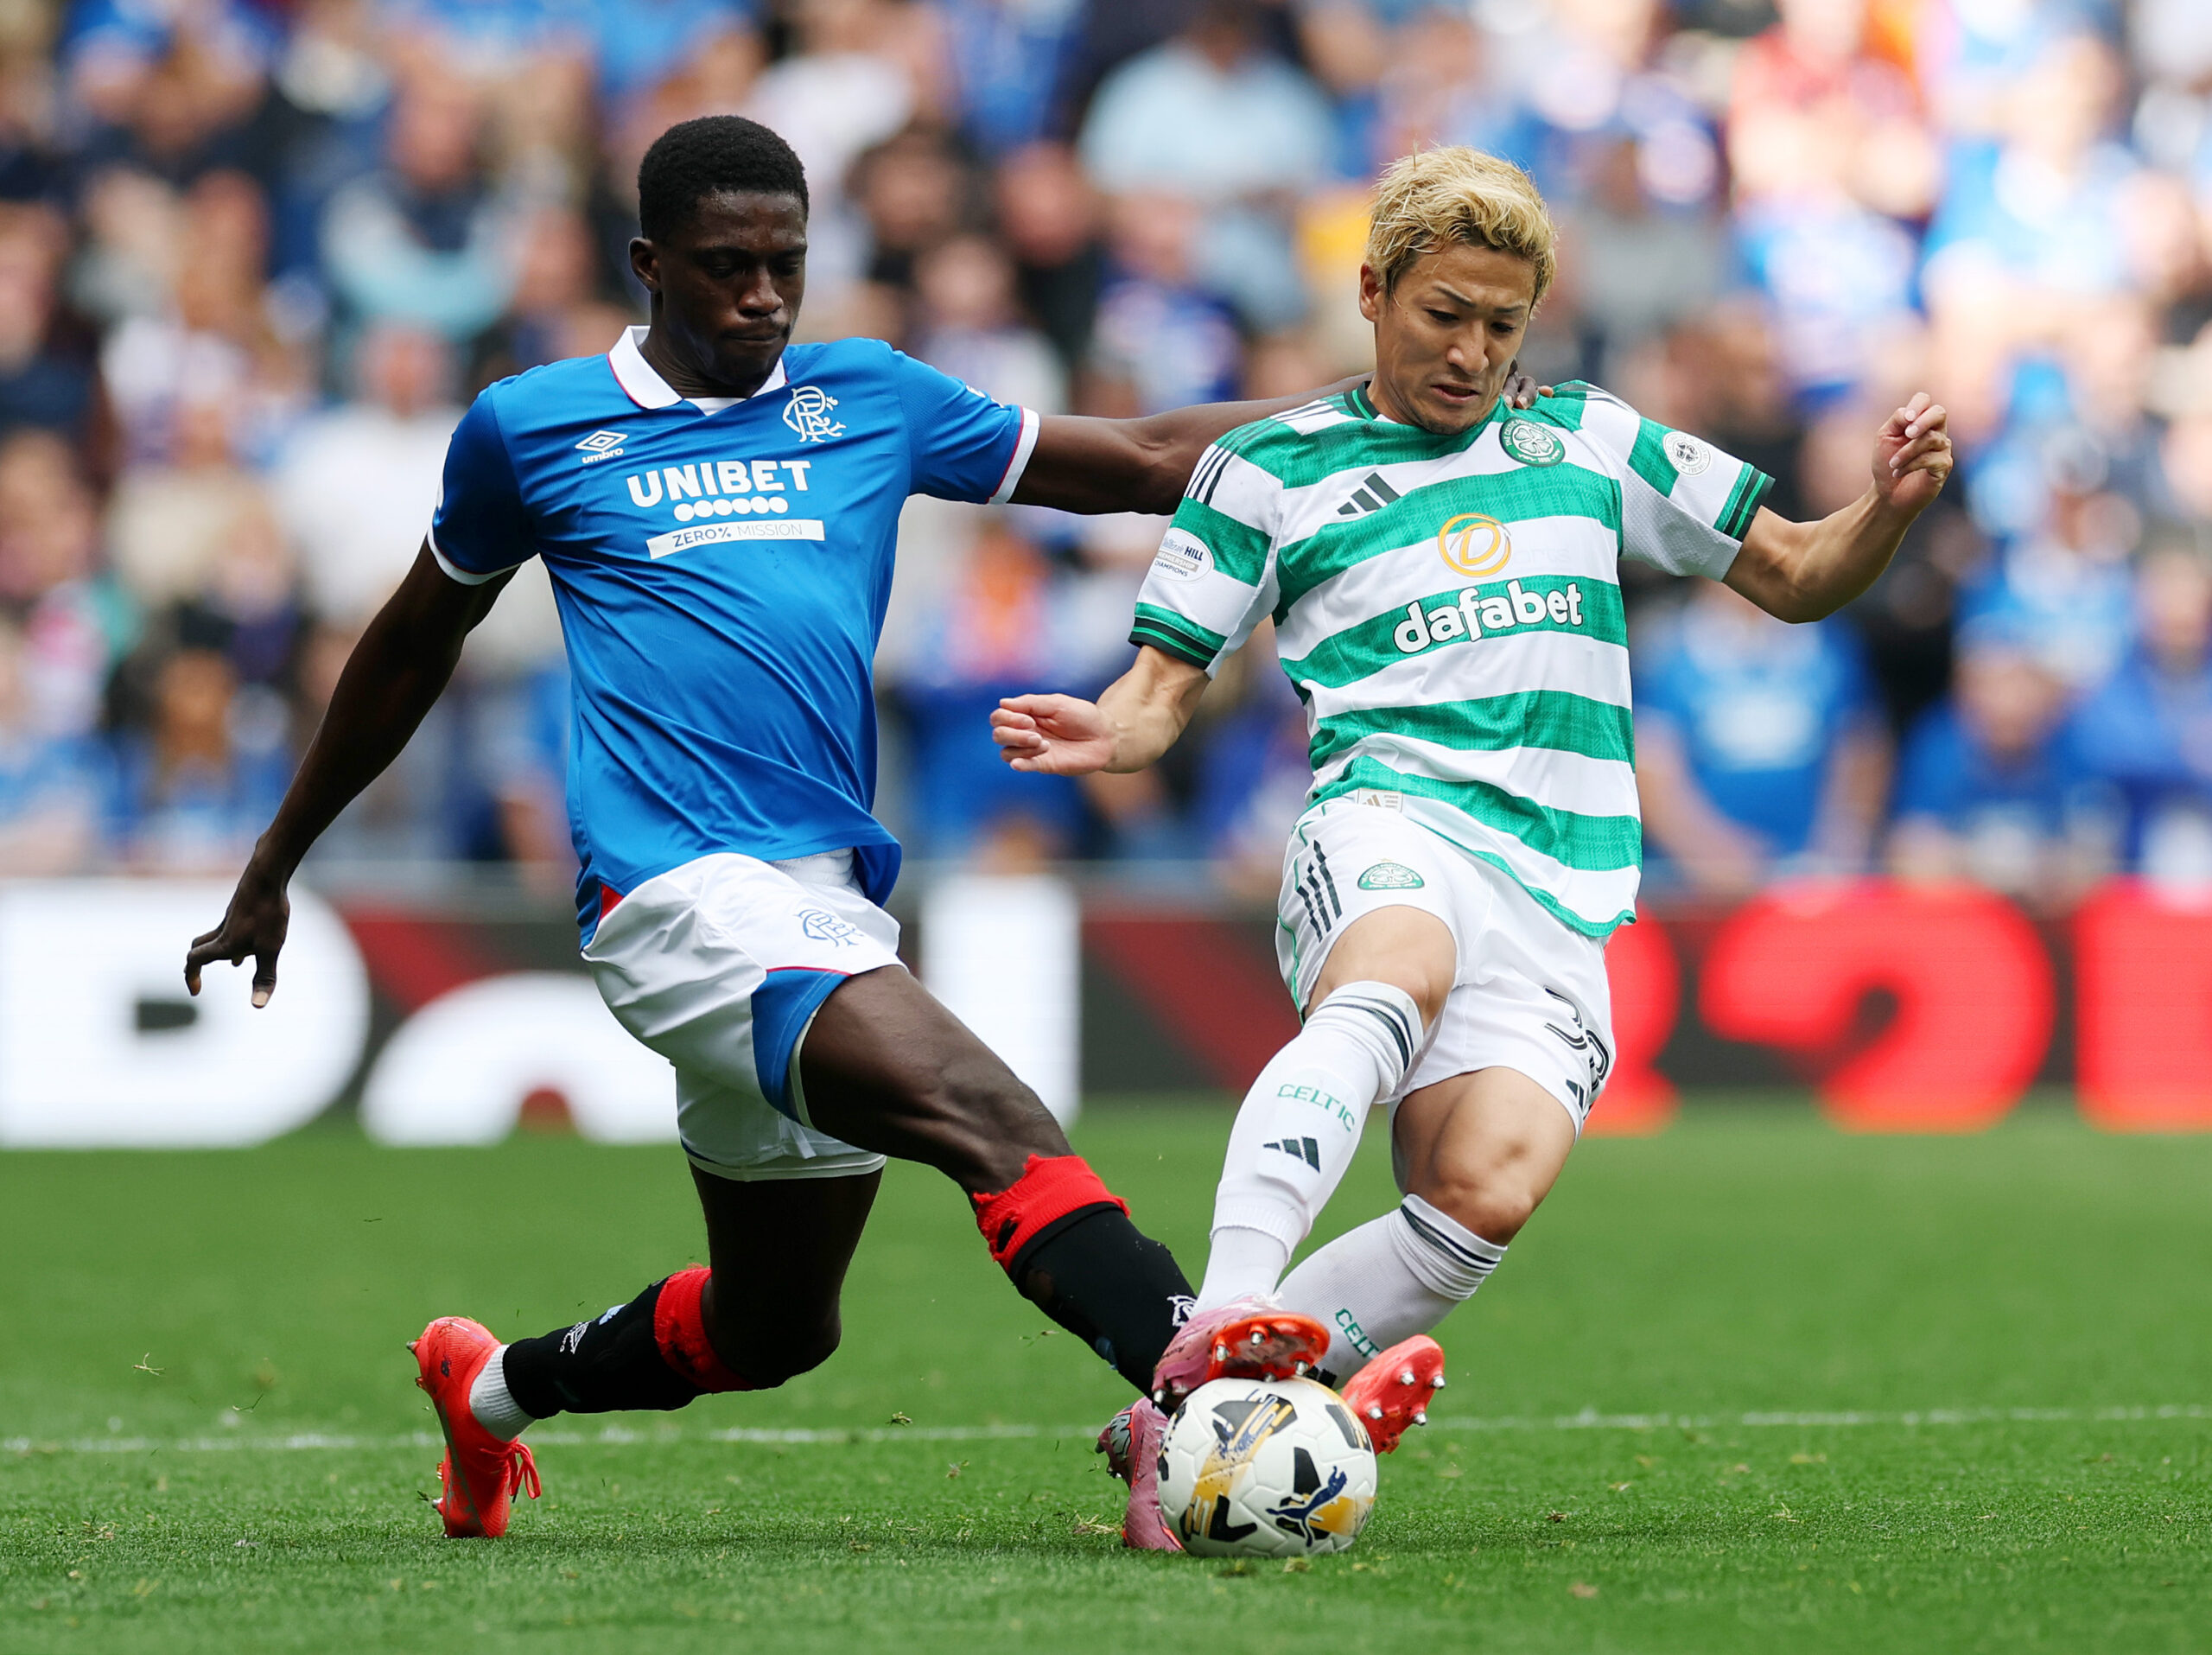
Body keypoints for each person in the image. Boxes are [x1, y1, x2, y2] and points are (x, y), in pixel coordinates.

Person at [181, 117, 1538, 1549]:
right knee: (991, 1118)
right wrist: (275, 865)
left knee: (777, 1325)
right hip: (673, 893)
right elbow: (407, 647)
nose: (764, 297)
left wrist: (1367, 402)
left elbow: (1141, 455)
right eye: (725, 269)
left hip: (821, 892)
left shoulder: (865, 398)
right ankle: (1202, 1397)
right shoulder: (534, 425)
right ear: (649, 265)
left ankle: (494, 1389)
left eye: (786, 265)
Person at [993, 146, 1955, 1549]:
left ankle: (1201, 1422)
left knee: (1484, 1187)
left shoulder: (1594, 441)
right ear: (1373, 292)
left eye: (1504, 324)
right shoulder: (1267, 470)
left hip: (1560, 884)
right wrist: (1110, 731)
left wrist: (1892, 509)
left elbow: (1800, 570)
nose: (1473, 351)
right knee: (1396, 972)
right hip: (1387, 817)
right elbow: (1159, 692)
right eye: (1445, 313)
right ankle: (1212, 1328)